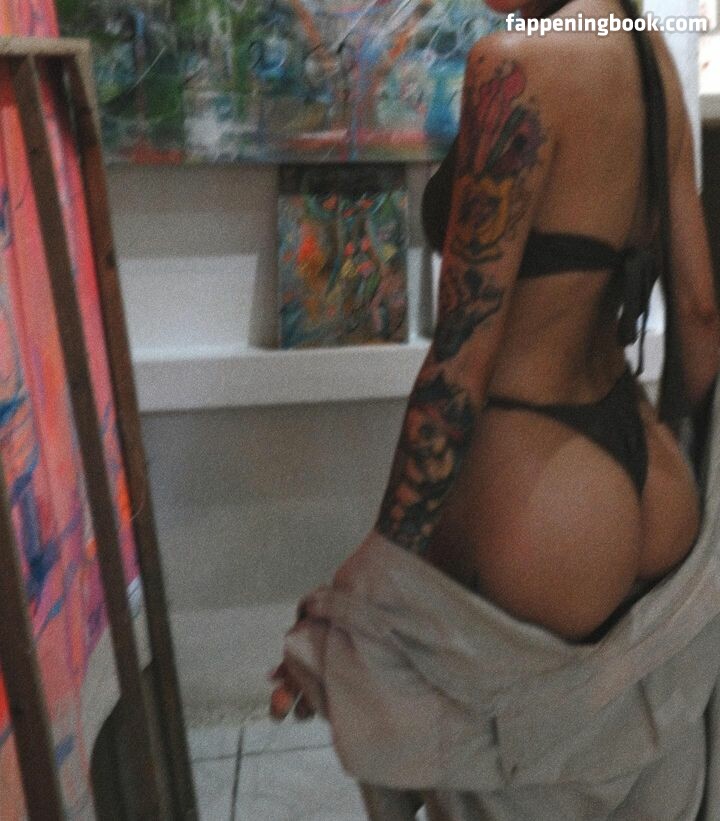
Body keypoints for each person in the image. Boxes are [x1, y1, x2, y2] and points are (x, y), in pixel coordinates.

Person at [271, 0, 720, 817]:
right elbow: (698, 311)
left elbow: (462, 357)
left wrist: (374, 585)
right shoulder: (648, 50)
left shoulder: (514, 65)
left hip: (540, 495)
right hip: (655, 484)